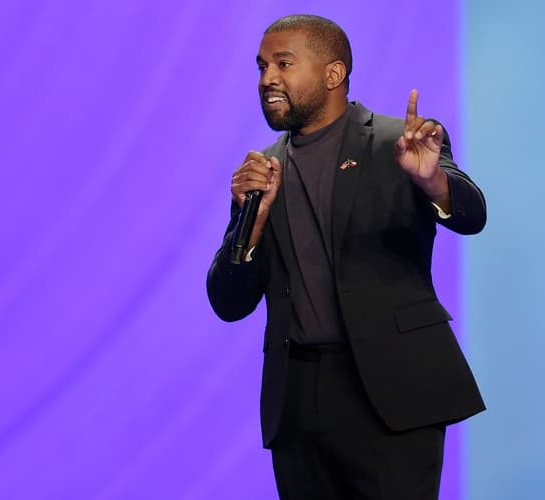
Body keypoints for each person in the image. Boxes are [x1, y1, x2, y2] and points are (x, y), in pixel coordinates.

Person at [206, 14, 486, 500]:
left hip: (394, 394)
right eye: (261, 66)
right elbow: (228, 304)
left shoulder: (401, 142)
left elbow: (472, 213)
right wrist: (248, 222)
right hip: (298, 405)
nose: (267, 79)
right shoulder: (262, 173)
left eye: (283, 64)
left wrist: (431, 180)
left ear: (332, 75)